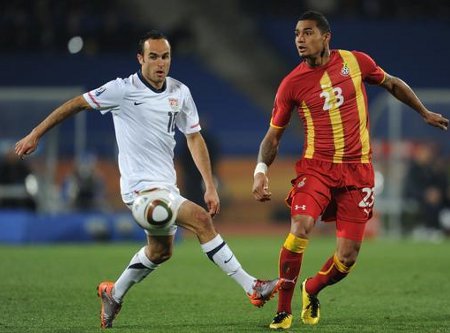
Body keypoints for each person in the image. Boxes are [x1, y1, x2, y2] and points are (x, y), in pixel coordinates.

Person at [15, 30, 283, 329]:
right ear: (140, 58)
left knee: (161, 251)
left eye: (165, 56)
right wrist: (35, 134)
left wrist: (209, 184)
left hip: (167, 187)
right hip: (139, 192)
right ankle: (253, 288)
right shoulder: (121, 90)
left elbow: (194, 138)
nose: (160, 63)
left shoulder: (179, 92)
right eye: (153, 56)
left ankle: (112, 293)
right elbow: (76, 104)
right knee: (201, 220)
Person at [251, 11, 449, 330]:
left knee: (348, 257)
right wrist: (260, 169)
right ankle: (283, 309)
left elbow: (392, 83)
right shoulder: (291, 84)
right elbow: (273, 136)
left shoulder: (356, 62)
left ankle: (311, 289)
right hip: (317, 169)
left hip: (358, 172)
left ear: (326, 37)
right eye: (297, 34)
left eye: (308, 33)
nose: (300, 39)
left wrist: (423, 112)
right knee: (300, 226)